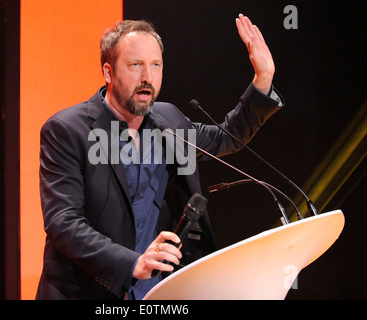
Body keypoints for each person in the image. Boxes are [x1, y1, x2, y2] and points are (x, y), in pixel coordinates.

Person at [36, 14, 284, 300]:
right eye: (135, 65)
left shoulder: (168, 119)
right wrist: (132, 263)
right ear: (108, 72)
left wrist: (262, 78)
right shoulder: (67, 129)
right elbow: (63, 222)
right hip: (87, 291)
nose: (147, 77)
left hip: (154, 292)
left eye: (156, 65)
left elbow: (225, 137)